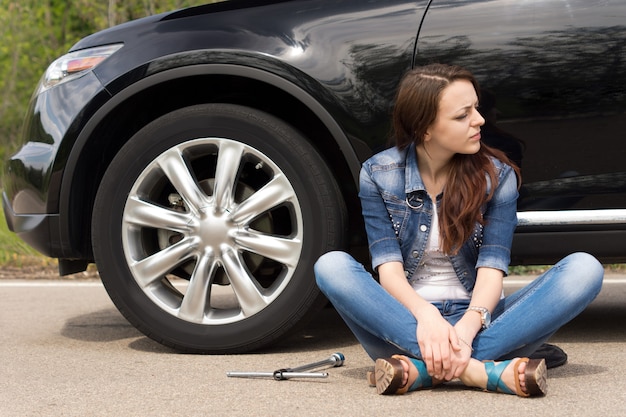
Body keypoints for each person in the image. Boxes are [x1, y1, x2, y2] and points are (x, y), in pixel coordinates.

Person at [314, 63, 603, 397]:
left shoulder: (497, 176)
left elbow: (491, 270)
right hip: (404, 323)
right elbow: (389, 270)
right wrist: (426, 318)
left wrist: (465, 330)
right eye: (463, 115)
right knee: (331, 265)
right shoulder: (379, 174)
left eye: (476, 109)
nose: (479, 120)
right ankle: (481, 371)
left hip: (479, 320)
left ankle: (420, 371)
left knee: (584, 269)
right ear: (424, 129)